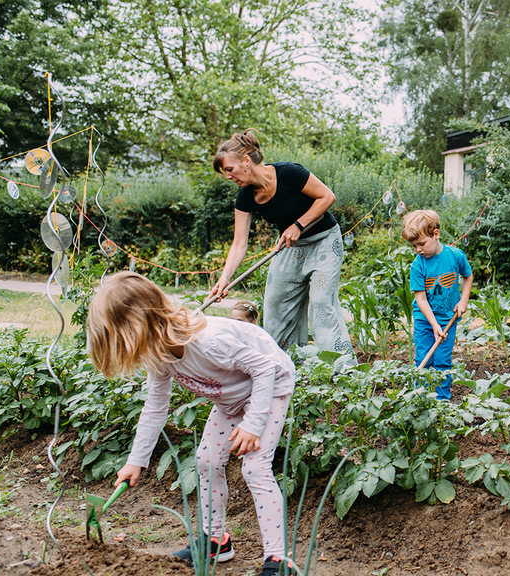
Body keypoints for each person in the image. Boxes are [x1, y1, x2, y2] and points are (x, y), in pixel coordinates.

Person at [90, 272, 295, 576]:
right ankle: (217, 542)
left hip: (271, 386)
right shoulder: (158, 353)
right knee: (207, 460)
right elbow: (155, 408)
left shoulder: (209, 341)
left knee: (255, 468)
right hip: (231, 399)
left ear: (137, 326)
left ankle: (279, 560)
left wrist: (253, 424)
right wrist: (136, 461)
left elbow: (265, 368)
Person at [210, 129, 354, 355]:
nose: (228, 176)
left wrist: (299, 224)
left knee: (320, 306)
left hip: (324, 241)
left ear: (246, 161)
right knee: (275, 307)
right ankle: (284, 365)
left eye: (230, 169)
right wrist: (225, 279)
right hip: (290, 247)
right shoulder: (245, 197)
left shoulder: (289, 172)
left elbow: (327, 196)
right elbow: (239, 243)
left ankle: (342, 369)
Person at [402, 210, 473, 401]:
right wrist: (434, 325)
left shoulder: (455, 256)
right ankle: (421, 399)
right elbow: (421, 300)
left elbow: (468, 275)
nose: (418, 249)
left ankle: (442, 402)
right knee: (423, 358)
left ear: (436, 234)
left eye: (421, 244)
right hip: (425, 321)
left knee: (442, 360)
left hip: (448, 318)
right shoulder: (418, 266)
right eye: (413, 246)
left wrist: (463, 300)